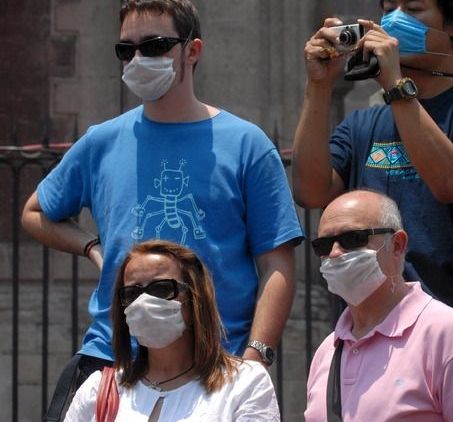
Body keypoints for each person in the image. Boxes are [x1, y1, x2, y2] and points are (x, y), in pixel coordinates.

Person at [21, 0, 302, 419]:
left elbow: (277, 263)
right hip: (111, 360)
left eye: (154, 45)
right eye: (126, 49)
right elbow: (35, 212)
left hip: (214, 365)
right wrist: (92, 248)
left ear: (192, 50)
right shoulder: (102, 141)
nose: (138, 59)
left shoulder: (247, 145)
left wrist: (256, 356)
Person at [292, 0, 453, 314]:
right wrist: (319, 85)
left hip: (451, 318)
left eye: (414, 9)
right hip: (368, 321)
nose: (396, 20)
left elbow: (451, 182)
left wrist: (396, 86)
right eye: (388, 9)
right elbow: (310, 191)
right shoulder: (364, 123)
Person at [304, 190, 453, 421]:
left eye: (352, 239)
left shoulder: (450, 336)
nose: (335, 253)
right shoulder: (328, 350)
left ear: (397, 244)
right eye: (323, 246)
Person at [64, 240, 280, 421]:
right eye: (131, 293)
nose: (144, 301)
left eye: (161, 289)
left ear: (195, 298)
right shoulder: (97, 389)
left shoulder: (245, 383)